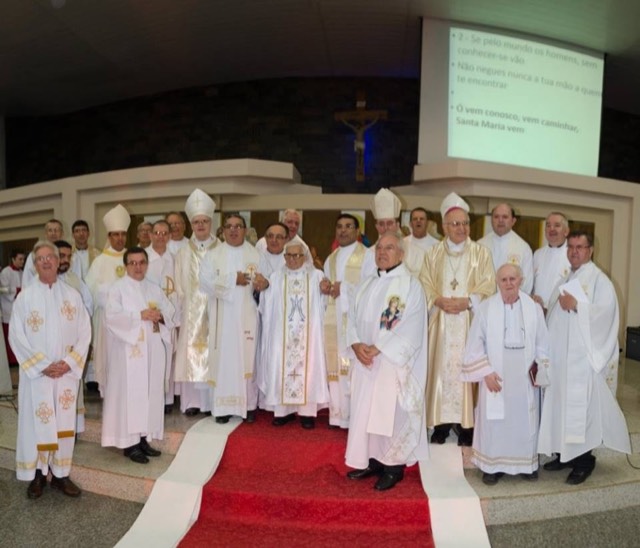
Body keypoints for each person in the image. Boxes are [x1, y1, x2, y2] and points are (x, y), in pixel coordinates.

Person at [538, 231, 630, 485]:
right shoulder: (567, 277)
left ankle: (584, 460)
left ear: (591, 250)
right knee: (559, 407)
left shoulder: (600, 281)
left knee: (580, 411)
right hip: (561, 360)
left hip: (582, 362)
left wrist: (578, 306)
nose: (574, 251)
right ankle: (564, 454)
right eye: (571, 247)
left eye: (580, 247)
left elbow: (606, 314)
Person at [345, 232, 429, 491]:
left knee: (388, 413)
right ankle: (373, 461)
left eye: (389, 248)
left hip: (391, 364)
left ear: (401, 253)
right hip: (365, 361)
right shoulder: (366, 283)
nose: (382, 252)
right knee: (366, 412)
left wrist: (379, 348)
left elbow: (412, 326)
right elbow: (352, 318)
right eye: (379, 248)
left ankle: (393, 467)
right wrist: (356, 344)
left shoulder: (410, 285)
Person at [9, 241, 91, 498]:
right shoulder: (25, 298)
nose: (46, 261)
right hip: (37, 378)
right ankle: (36, 476)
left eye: (50, 257)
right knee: (36, 425)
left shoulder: (72, 296)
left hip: (65, 375)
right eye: (40, 258)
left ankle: (60, 474)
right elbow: (16, 336)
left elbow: (84, 333)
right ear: (34, 265)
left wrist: (69, 362)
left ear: (58, 262)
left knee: (62, 425)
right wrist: (43, 366)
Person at [462, 264, 550, 485]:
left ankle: (526, 465)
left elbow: (543, 343)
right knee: (495, 421)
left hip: (523, 374)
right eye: (504, 280)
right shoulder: (485, 308)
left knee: (524, 420)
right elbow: (474, 345)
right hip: (495, 373)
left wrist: (540, 369)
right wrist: (486, 373)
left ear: (520, 280)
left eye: (513, 279)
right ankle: (492, 466)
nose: (509, 283)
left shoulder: (533, 308)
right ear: (497, 282)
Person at [419, 192, 495, 446]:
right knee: (440, 369)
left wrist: (468, 301)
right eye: (455, 224)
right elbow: (424, 284)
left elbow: (489, 285)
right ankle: (440, 424)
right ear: (444, 227)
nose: (461, 228)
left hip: (468, 323)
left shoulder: (480, 253)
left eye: (465, 223)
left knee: (467, 368)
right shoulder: (433, 254)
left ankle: (466, 426)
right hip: (440, 322)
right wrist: (438, 300)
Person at [102, 247, 175, 463]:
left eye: (141, 262)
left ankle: (143, 439)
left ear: (146, 264)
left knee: (149, 394)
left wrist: (160, 316)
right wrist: (139, 315)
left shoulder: (153, 288)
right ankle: (130, 444)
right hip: (128, 352)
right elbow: (112, 317)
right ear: (126, 265)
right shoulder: (118, 288)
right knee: (131, 395)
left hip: (152, 349)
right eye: (133, 263)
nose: (138, 267)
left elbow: (170, 313)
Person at [257, 242, 330, 428]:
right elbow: (266, 306)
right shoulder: (276, 277)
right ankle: (283, 412)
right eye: (288, 255)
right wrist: (265, 288)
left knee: (309, 367)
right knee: (280, 366)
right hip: (282, 336)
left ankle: (307, 413)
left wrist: (324, 291)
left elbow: (325, 304)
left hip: (308, 335)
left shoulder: (316, 276)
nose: (292, 259)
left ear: (304, 257)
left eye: (296, 255)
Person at [200, 213, 260, 423]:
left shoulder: (255, 254)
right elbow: (205, 283)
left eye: (238, 226)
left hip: (247, 317)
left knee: (248, 356)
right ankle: (223, 407)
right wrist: (232, 279)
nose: (233, 230)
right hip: (222, 318)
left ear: (245, 229)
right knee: (224, 358)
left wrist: (262, 286)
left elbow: (266, 285)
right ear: (223, 230)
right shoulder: (212, 255)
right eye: (229, 226)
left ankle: (249, 405)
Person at [173, 189, 218, 416]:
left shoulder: (220, 250)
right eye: (196, 222)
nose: (200, 225)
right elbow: (179, 285)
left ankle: (211, 404)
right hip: (191, 315)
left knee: (214, 354)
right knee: (190, 353)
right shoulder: (182, 253)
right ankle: (191, 403)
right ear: (191, 224)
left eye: (204, 221)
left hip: (215, 313)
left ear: (211, 223)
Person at [322, 213, 366, 428]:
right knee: (335, 367)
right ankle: (337, 414)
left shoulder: (367, 256)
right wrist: (324, 288)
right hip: (334, 320)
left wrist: (345, 288)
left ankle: (355, 416)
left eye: (349, 226)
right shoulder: (331, 258)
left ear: (357, 231)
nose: (343, 230)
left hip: (355, 322)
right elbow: (328, 287)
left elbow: (372, 289)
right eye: (339, 226)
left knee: (354, 369)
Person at [85, 204, 131, 395]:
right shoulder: (99, 261)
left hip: (129, 319)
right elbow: (89, 291)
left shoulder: (133, 257)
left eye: (123, 234)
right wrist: (105, 294)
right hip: (106, 321)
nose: (120, 238)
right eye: (115, 234)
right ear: (109, 237)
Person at [145, 220, 179, 413]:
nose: (160, 236)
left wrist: (177, 318)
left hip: (169, 316)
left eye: (164, 233)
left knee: (168, 356)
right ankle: (151, 398)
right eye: (156, 232)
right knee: (152, 357)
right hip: (150, 317)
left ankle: (166, 399)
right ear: (150, 235)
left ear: (169, 236)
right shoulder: (144, 258)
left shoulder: (174, 259)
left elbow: (179, 289)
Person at [360, 188, 424, 278]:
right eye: (381, 224)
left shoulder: (416, 252)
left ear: (397, 225)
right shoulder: (369, 253)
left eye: (389, 223)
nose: (386, 228)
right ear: (377, 227)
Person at [478, 203, 534, 294]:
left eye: (505, 217)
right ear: (491, 220)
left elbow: (526, 282)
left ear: (513, 221)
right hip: (484, 302)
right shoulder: (479, 245)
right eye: (496, 217)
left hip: (511, 303)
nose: (500, 220)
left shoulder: (523, 248)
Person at [532, 212, 571, 311]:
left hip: (561, 313)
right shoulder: (537, 254)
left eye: (557, 225)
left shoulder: (573, 255)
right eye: (548, 225)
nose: (551, 229)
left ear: (566, 231)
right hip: (538, 312)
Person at [0, 249, 25, 366]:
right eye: (20, 259)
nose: (22, 262)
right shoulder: (6, 272)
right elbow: (2, 289)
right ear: (13, 259)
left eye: (23, 259)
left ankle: (18, 358)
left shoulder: (22, 272)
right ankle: (11, 361)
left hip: (19, 308)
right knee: (9, 335)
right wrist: (17, 291)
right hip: (8, 308)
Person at [22, 219, 64, 288]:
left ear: (62, 233)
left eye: (56, 230)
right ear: (45, 234)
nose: (53, 233)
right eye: (50, 230)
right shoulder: (34, 255)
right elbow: (26, 280)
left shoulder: (71, 256)